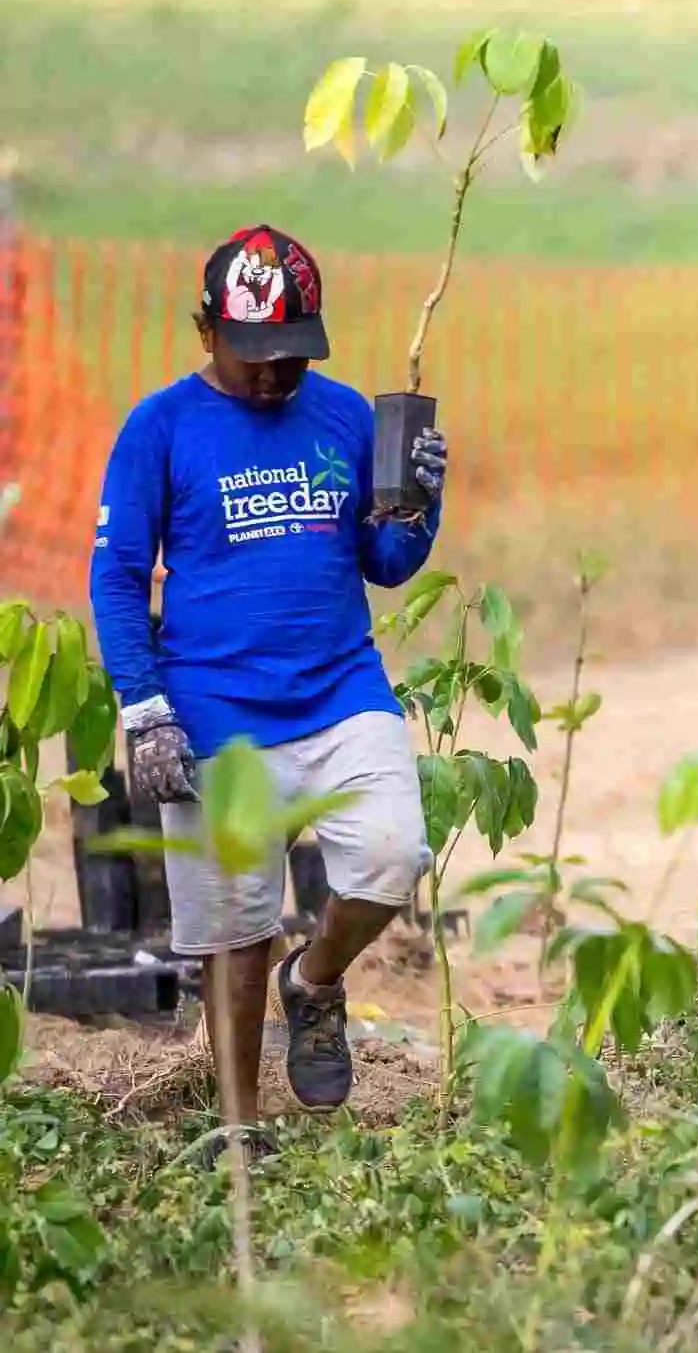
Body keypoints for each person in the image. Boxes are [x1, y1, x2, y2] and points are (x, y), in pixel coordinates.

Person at [89, 226, 448, 1160]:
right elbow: (120, 576)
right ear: (206, 330)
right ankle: (241, 1130)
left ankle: (318, 978)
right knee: (234, 931)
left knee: (391, 852)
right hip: (213, 713)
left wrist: (417, 508)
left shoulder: (345, 419)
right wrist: (146, 706)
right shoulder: (158, 429)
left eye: (292, 352)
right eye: (254, 354)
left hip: (339, 691)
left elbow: (384, 561)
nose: (274, 373)